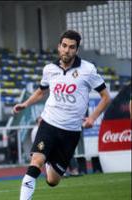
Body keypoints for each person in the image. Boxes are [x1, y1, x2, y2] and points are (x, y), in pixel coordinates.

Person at [13, 30, 111, 200]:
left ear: (77, 50)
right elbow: (40, 91)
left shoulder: (88, 70)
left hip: (70, 132)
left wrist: (92, 118)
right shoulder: (49, 69)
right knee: (36, 162)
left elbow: (106, 97)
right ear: (59, 47)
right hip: (48, 124)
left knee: (52, 181)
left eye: (71, 47)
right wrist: (25, 104)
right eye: (64, 46)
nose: (67, 50)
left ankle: (50, 160)